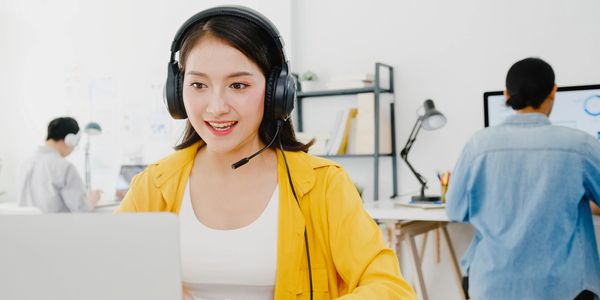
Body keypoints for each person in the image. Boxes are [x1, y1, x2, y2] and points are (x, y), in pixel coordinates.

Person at [116, 6, 415, 300]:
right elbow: (105, 276)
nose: (216, 106)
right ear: (176, 93)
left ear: (276, 93)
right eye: (198, 84)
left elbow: (391, 289)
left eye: (238, 85)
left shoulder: (323, 186)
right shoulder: (152, 186)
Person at [446, 57, 600, 300]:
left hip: (491, 286)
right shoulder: (581, 145)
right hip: (566, 288)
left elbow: (455, 211)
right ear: (553, 92)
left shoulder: (477, 145)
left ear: (506, 94)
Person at [18, 117, 102, 213]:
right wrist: (91, 200)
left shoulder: (25, 163)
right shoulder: (64, 167)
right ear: (70, 139)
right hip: (58, 227)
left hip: (28, 227)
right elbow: (82, 210)